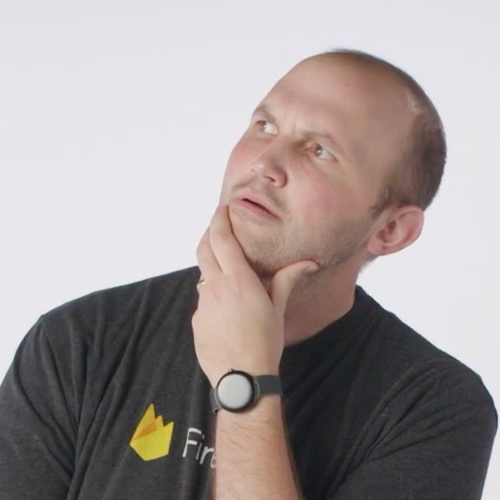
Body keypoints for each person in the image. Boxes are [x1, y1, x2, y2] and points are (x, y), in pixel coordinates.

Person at [0, 49, 496, 500]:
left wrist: (245, 381)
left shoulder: (434, 408)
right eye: (264, 125)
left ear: (390, 230)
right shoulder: (80, 343)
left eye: (319, 150)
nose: (263, 163)